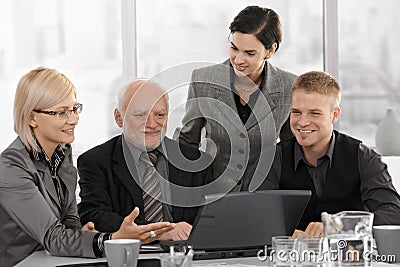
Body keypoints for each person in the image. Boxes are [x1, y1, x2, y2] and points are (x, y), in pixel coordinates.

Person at [0, 67, 174, 267]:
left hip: (52, 261)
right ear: (32, 118)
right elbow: (53, 237)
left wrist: (85, 232)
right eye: (61, 112)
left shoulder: (61, 154)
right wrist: (114, 238)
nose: (73, 119)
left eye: (74, 109)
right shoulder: (11, 167)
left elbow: (69, 223)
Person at [259, 70, 400, 237]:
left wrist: (339, 226)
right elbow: (258, 214)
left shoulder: (363, 158)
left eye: (314, 113)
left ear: (334, 115)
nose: (303, 122)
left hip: (349, 256)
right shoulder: (273, 158)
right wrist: (285, 233)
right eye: (296, 112)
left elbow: (392, 213)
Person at [178, 6, 297, 192]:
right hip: (212, 196)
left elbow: (291, 151)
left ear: (270, 50)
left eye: (249, 53)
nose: (238, 59)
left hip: (265, 197)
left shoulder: (289, 86)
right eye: (234, 48)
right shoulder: (204, 81)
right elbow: (187, 142)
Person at [77, 79, 213, 241]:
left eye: (160, 115)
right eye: (141, 115)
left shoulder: (196, 160)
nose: (152, 124)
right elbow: (94, 215)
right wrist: (160, 232)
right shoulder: (96, 161)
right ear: (119, 118)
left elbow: (212, 218)